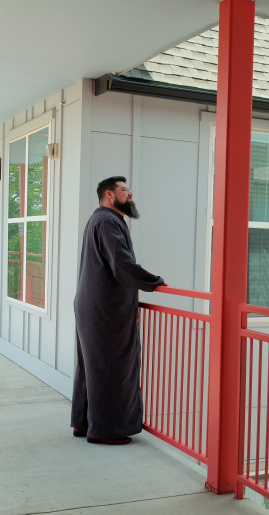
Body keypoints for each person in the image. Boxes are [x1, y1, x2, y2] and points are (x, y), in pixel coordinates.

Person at [71, 176, 166, 445]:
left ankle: (85, 423)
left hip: (92, 304)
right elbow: (122, 264)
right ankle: (105, 430)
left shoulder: (98, 219)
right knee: (113, 367)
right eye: (125, 190)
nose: (131, 194)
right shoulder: (109, 221)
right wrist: (154, 281)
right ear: (110, 195)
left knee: (91, 366)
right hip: (107, 309)